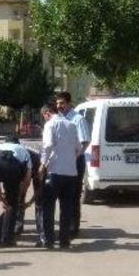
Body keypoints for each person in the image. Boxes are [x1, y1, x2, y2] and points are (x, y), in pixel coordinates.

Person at [40, 103, 81, 249]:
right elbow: (79, 148)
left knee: (48, 207)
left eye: (43, 116)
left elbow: (47, 145)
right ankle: (65, 240)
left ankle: (49, 240)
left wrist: (42, 165)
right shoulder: (72, 125)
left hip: (54, 171)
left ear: (47, 113)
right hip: (71, 173)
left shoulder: (50, 125)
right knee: (66, 208)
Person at [55, 92, 91, 237]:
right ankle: (65, 226)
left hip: (75, 162)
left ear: (69, 103)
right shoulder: (58, 119)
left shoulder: (77, 119)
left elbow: (85, 141)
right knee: (63, 195)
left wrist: (74, 156)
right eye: (57, 103)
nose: (59, 106)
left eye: (62, 103)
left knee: (73, 195)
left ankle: (73, 228)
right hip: (61, 162)